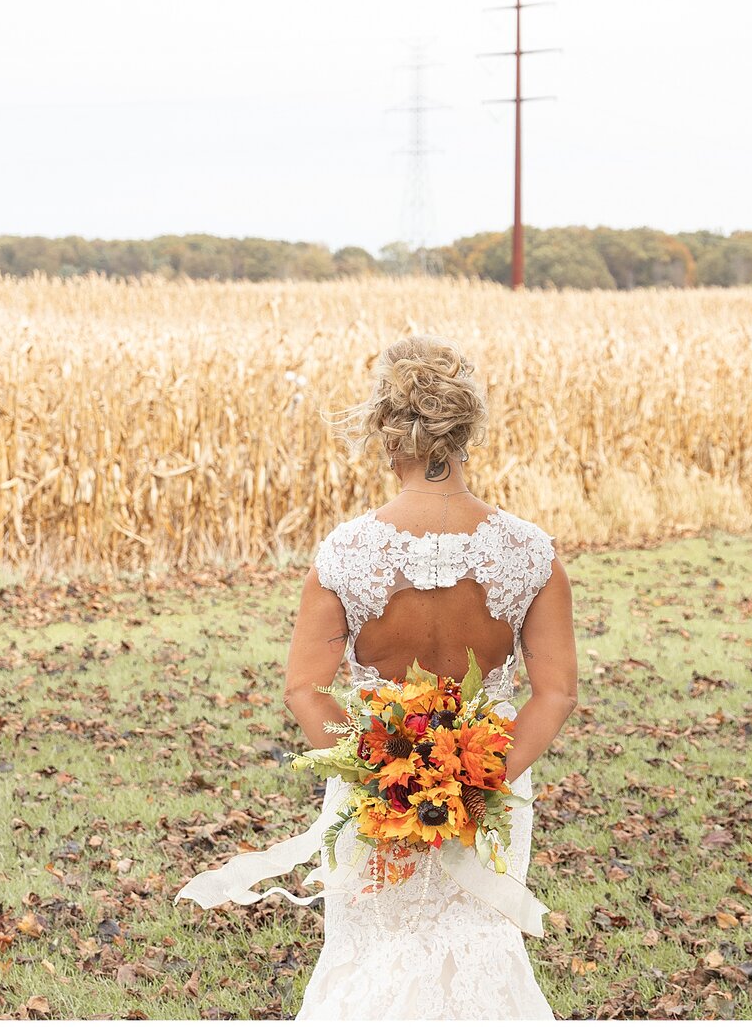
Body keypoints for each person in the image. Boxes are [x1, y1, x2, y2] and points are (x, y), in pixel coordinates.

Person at [178, 334, 579, 1020]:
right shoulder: (529, 552)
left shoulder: (347, 554)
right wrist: (475, 779)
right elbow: (557, 692)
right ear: (465, 428)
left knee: (371, 946)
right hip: (490, 791)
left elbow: (304, 686)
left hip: (377, 794)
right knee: (480, 938)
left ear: (386, 432)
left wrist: (381, 770)